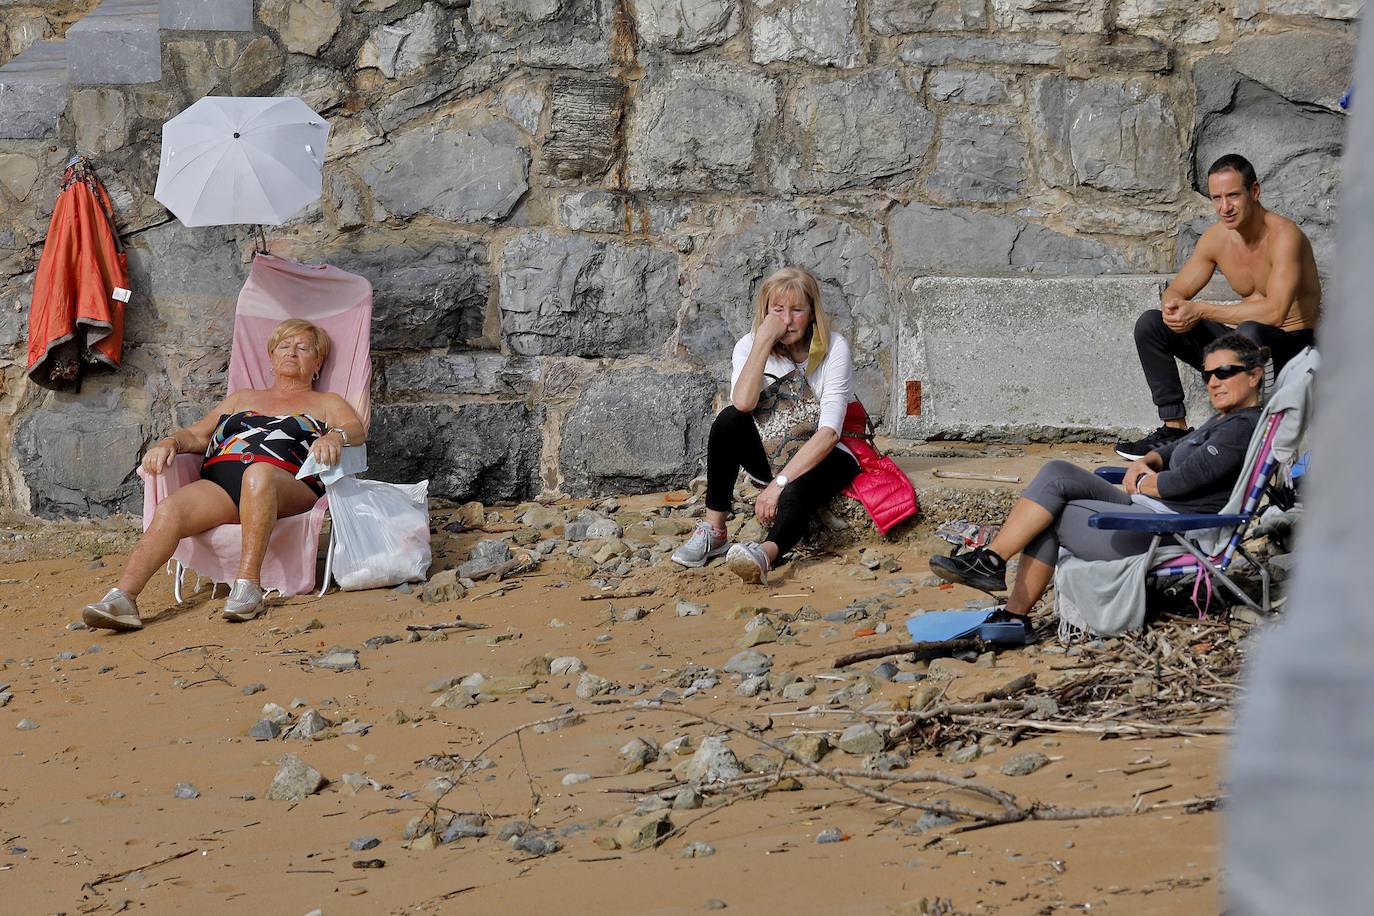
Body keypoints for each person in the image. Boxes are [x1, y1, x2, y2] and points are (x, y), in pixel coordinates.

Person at [931, 334, 1266, 622]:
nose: (1213, 382)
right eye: (1207, 375)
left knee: (1051, 514)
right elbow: (1178, 447)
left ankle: (1011, 610)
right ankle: (990, 563)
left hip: (1171, 530)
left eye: (1224, 372)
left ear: (1253, 376)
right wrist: (1148, 459)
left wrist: (1139, 482)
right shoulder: (1224, 419)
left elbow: (1182, 483)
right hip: (1151, 509)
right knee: (1056, 472)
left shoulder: (1241, 428)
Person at [80, 319, 366, 630]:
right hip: (224, 486)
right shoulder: (242, 398)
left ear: (318, 362)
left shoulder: (326, 403)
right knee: (173, 509)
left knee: (259, 475)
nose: (291, 353)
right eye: (284, 346)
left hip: (288, 483)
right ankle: (123, 598)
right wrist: (169, 442)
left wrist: (335, 437)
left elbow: (355, 429)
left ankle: (248, 587)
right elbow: (199, 435)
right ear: (271, 358)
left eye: (303, 348)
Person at [1117, 153, 1320, 460]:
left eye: (1233, 196)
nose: (1224, 207)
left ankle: (1242, 433)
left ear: (1254, 192)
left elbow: (1275, 312)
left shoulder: (1284, 237)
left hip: (1293, 351)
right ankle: (1174, 428)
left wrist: (1200, 310)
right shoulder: (1216, 238)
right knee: (1151, 324)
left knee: (1251, 330)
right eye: (1217, 198)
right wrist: (1174, 307)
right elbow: (1177, 291)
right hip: (1246, 348)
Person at [672, 266, 860, 585]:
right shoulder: (749, 345)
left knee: (797, 486)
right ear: (766, 311)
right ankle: (714, 530)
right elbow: (743, 403)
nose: (787, 320)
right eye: (778, 310)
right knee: (728, 420)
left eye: (797, 310)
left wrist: (778, 484)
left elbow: (829, 432)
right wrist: (763, 342)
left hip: (828, 451)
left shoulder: (834, 347)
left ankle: (765, 554)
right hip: (773, 446)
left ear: (812, 313)